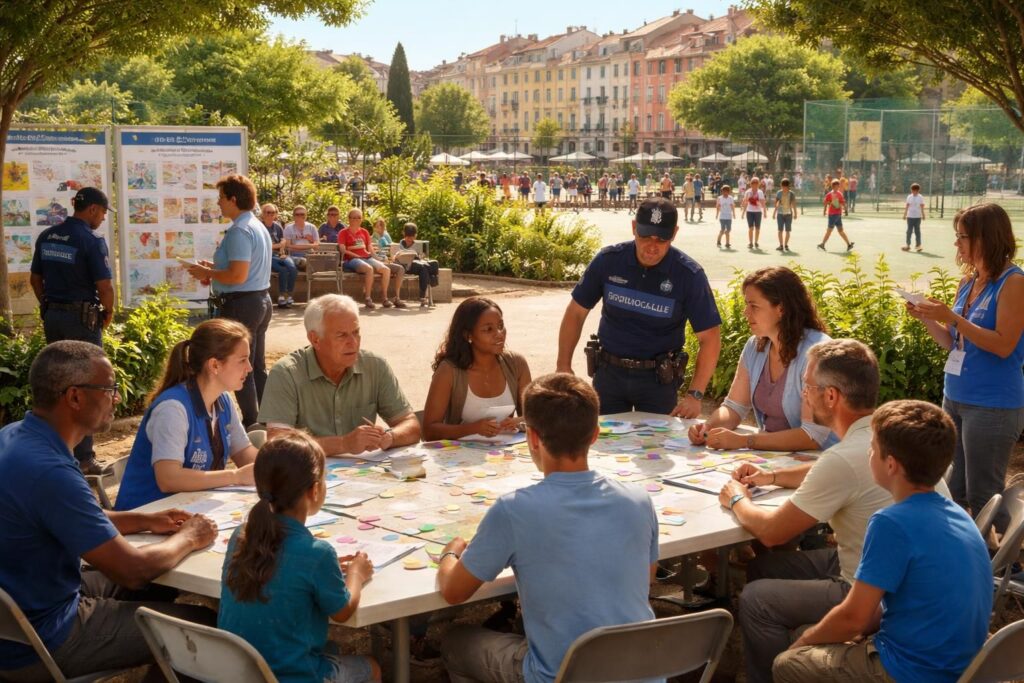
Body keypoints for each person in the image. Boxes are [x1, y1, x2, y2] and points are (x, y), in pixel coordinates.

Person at [720, 339, 946, 683]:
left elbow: (772, 532)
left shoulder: (844, 457)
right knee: (766, 565)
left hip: (876, 591)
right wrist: (773, 476)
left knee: (756, 599)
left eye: (806, 386)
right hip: (906, 577)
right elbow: (837, 471)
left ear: (831, 397)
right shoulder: (882, 434)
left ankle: (779, 671)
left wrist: (737, 499)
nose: (803, 394)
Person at [0, 341, 218, 682]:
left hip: (25, 605)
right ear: (74, 397)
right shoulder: (50, 470)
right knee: (206, 630)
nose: (117, 397)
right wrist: (191, 537)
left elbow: (66, 515)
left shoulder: (16, 437)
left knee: (157, 586)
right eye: (109, 389)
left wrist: (143, 520)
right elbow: (131, 570)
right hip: (42, 635)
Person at [437, 373, 658, 683]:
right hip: (638, 672)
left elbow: (453, 591)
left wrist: (450, 553)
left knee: (455, 641)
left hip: (558, 675)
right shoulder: (639, 500)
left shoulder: (514, 510)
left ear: (532, 438)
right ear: (595, 435)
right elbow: (643, 581)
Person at [773, 400, 991, 683]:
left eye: (872, 448)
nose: (868, 453)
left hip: (911, 671)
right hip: (963, 665)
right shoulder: (959, 514)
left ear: (890, 464)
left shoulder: (891, 523)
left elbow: (854, 618)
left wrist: (803, 643)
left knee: (786, 663)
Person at [220, 430, 380, 683]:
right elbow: (342, 612)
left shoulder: (242, 535)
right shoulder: (317, 554)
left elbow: (282, 568)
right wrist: (356, 574)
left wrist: (322, 570)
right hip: (294, 676)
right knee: (372, 667)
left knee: (331, 650)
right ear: (315, 490)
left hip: (235, 673)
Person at [906, 202, 1024, 528]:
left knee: (983, 491)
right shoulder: (968, 282)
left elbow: (1003, 345)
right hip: (954, 396)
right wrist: (928, 318)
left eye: (962, 237)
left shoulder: (1014, 282)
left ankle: (1003, 567)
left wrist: (953, 317)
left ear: (986, 237)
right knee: (951, 488)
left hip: (993, 404)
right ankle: (961, 556)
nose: (956, 244)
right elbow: (953, 342)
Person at [557, 197, 722, 416]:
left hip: (658, 383)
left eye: (661, 238)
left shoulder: (689, 275)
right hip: (608, 376)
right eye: (645, 236)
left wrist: (695, 395)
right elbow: (576, 313)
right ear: (634, 228)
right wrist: (563, 365)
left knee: (657, 447)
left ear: (674, 234)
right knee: (602, 445)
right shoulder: (608, 261)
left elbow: (710, 337)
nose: (652, 246)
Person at [114, 319, 259, 511]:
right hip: (146, 517)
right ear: (215, 365)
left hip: (189, 510)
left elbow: (243, 453)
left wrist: (281, 468)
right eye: (242, 360)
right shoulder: (173, 409)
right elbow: (169, 478)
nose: (249, 367)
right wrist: (235, 477)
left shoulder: (222, 400)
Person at [689, 267, 832, 453]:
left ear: (781, 309)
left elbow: (813, 436)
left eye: (753, 306)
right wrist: (707, 428)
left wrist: (745, 441)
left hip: (818, 461)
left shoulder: (817, 353)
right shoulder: (755, 346)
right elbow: (733, 408)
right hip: (776, 457)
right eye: (746, 304)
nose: (745, 312)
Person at [258, 294, 421, 456]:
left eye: (356, 332)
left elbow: (411, 425)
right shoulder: (286, 373)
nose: (353, 342)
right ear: (315, 340)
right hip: (306, 475)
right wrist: (344, 444)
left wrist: (389, 437)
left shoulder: (375, 366)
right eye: (342, 335)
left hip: (362, 475)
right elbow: (277, 444)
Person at [29, 187, 114, 475]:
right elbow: (105, 287)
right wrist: (108, 312)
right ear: (91, 209)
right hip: (82, 321)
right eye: (103, 212)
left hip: (54, 317)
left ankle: (58, 450)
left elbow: (35, 279)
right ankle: (85, 458)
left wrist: (48, 305)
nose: (103, 218)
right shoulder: (91, 240)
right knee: (87, 386)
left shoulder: (48, 236)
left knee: (58, 384)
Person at [185, 173, 272, 429]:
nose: (218, 203)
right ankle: (267, 417)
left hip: (242, 303)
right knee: (256, 365)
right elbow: (240, 267)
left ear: (234, 199)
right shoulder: (255, 225)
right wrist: (213, 268)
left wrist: (208, 274)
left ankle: (251, 422)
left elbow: (237, 274)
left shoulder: (239, 231)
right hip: (259, 300)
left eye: (221, 198)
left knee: (239, 364)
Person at [423, 297, 532, 441]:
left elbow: (534, 418)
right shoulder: (449, 371)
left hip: (506, 456)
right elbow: (429, 431)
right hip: (459, 459)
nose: (499, 334)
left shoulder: (516, 364)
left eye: (501, 326)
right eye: (488, 329)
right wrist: (473, 428)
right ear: (468, 335)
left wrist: (519, 423)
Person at [340, 208, 401, 310]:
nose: (356, 219)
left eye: (358, 217)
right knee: (369, 269)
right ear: (349, 219)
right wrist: (356, 255)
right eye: (353, 217)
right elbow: (343, 250)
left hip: (366, 257)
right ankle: (368, 298)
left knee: (386, 269)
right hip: (351, 260)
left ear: (361, 219)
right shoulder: (343, 232)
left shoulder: (364, 232)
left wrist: (378, 259)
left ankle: (384, 298)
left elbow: (370, 250)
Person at [393, 223, 439, 307]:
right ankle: (424, 294)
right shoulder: (401, 244)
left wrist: (420, 257)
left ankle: (422, 297)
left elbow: (421, 257)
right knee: (424, 268)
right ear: (404, 234)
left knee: (433, 264)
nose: (409, 239)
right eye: (407, 237)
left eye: (412, 237)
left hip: (418, 265)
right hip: (406, 266)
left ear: (415, 236)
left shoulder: (418, 245)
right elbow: (397, 258)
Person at [261, 203, 297, 308]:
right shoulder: (260, 227)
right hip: (267, 256)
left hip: (280, 254)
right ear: (263, 214)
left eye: (273, 212)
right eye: (268, 212)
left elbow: (283, 240)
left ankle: (289, 295)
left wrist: (281, 249)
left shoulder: (277, 226)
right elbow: (264, 246)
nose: (271, 215)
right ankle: (282, 296)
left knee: (292, 268)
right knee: (283, 270)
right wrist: (279, 245)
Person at [370, 218, 408, 308]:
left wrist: (396, 253)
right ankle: (385, 298)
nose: (381, 228)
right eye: (379, 226)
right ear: (374, 227)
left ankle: (397, 297)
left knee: (401, 269)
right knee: (387, 269)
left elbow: (391, 248)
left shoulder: (386, 236)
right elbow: (375, 254)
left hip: (388, 261)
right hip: (378, 262)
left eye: (383, 225)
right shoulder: (372, 238)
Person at [817, 179, 853, 252]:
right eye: (835, 186)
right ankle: (848, 244)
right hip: (835, 215)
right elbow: (825, 203)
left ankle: (823, 244)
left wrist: (844, 210)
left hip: (834, 215)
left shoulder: (838, 194)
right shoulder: (830, 194)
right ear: (832, 186)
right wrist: (825, 209)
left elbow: (842, 203)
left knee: (830, 230)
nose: (837, 188)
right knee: (840, 231)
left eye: (837, 186)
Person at [283, 205, 320, 270]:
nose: (300, 216)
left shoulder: (312, 227)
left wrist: (310, 240)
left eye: (302, 214)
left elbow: (317, 246)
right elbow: (287, 246)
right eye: (297, 214)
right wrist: (311, 245)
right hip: (294, 255)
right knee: (303, 262)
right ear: (294, 216)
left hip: (310, 254)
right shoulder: (288, 228)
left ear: (306, 216)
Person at [773, 178, 799, 252]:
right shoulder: (779, 193)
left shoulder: (791, 194)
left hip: (788, 214)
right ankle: (781, 245)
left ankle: (786, 245)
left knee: (788, 230)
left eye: (785, 186)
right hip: (780, 214)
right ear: (781, 185)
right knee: (780, 230)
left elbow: (794, 204)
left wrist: (795, 213)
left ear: (788, 186)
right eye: (783, 186)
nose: (784, 188)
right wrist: (774, 213)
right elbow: (776, 203)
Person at [741, 176, 765, 250]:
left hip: (758, 212)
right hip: (750, 212)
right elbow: (745, 203)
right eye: (753, 183)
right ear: (751, 184)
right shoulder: (748, 192)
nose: (754, 184)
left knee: (757, 228)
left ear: (758, 184)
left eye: (756, 183)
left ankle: (756, 242)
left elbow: (763, 203)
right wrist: (743, 212)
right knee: (751, 228)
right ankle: (750, 243)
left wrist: (764, 211)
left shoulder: (760, 192)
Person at [901, 183, 926, 252]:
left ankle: (918, 245)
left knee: (917, 231)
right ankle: (907, 245)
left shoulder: (920, 197)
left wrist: (923, 215)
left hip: (918, 217)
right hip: (910, 217)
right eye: (913, 190)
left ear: (918, 190)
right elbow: (907, 206)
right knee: (909, 231)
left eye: (916, 190)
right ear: (911, 190)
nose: (914, 192)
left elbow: (922, 206)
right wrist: (904, 215)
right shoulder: (909, 197)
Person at [715, 184, 735, 249]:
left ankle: (727, 242)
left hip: (729, 216)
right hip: (722, 216)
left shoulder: (731, 198)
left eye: (727, 191)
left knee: (728, 230)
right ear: (722, 191)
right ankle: (720, 240)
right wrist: (717, 214)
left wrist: (734, 213)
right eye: (724, 191)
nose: (725, 192)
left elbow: (732, 206)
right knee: (723, 230)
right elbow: (717, 207)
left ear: (729, 191)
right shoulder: (719, 198)